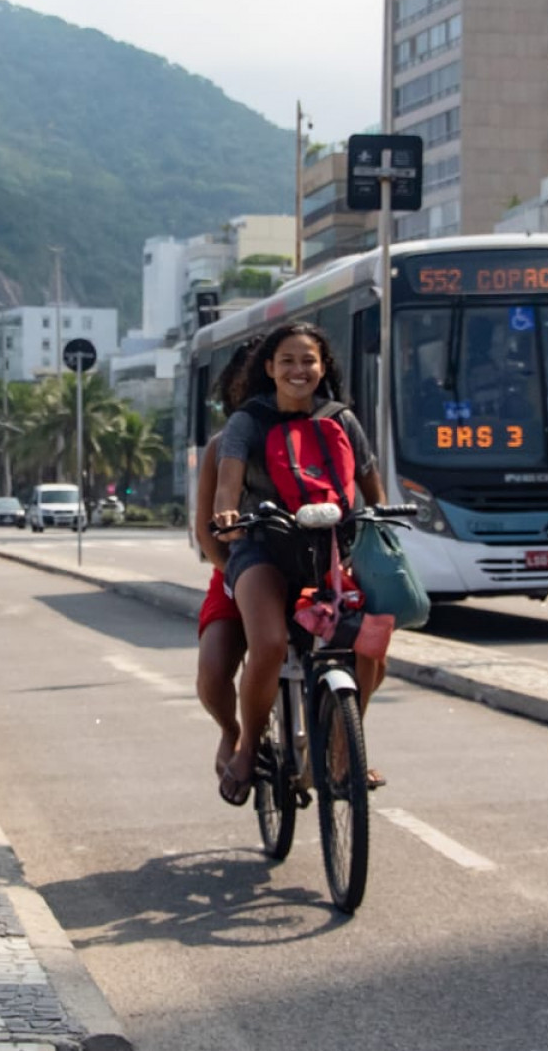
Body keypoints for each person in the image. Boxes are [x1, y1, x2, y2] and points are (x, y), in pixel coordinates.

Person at [210, 321, 386, 807]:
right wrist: (227, 513)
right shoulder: (248, 421)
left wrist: (381, 522)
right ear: (269, 368)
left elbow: (372, 488)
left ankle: (343, 747)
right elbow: (228, 483)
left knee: (371, 645)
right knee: (267, 643)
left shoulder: (342, 419)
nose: (298, 370)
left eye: (308, 360)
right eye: (287, 361)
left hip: (330, 547)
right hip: (263, 547)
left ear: (323, 365)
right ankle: (248, 746)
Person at [193, 334, 260, 805]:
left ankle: (343, 744)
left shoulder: (320, 430)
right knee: (215, 670)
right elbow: (205, 530)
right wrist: (232, 574)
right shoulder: (224, 444)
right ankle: (231, 729)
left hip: (313, 573)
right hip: (238, 574)